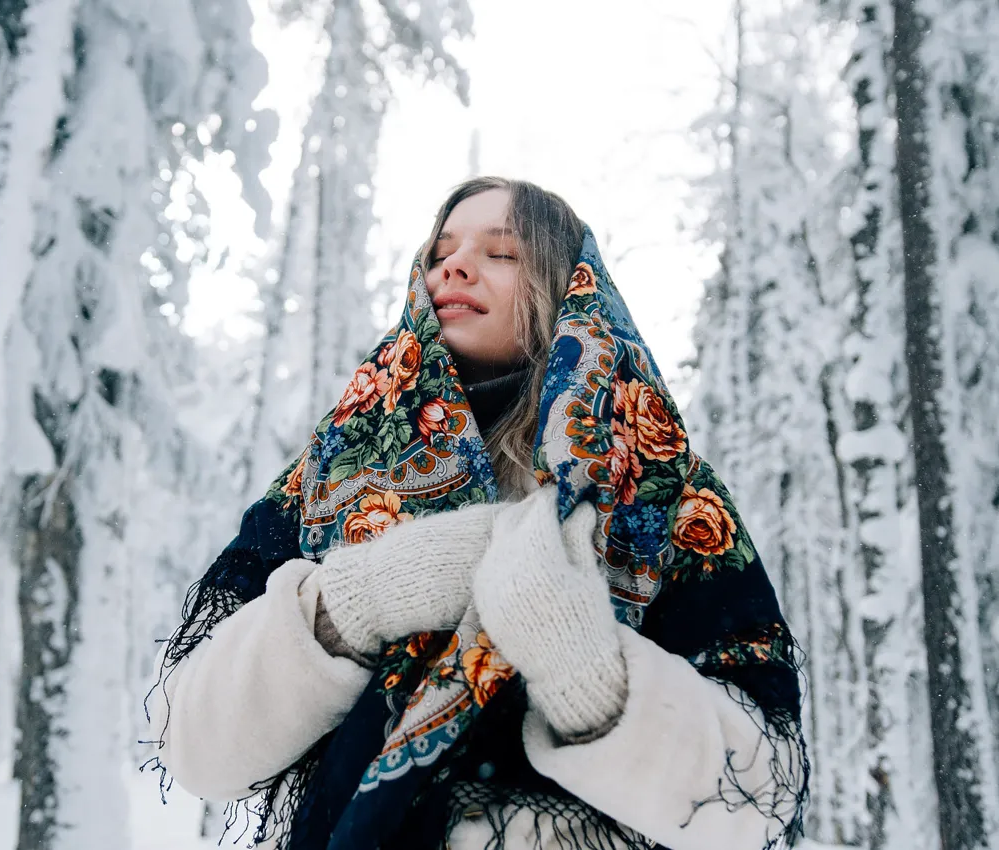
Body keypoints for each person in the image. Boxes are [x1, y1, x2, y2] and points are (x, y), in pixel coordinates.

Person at [144, 177, 809, 850]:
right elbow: (192, 745)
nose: (454, 266)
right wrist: (357, 601)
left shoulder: (662, 489)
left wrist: (587, 675)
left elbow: (759, 800)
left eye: (501, 253)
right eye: (440, 252)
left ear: (567, 284)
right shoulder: (329, 473)